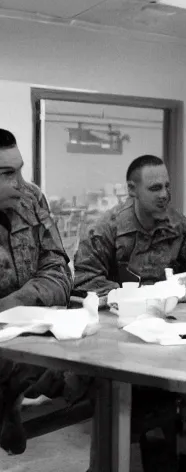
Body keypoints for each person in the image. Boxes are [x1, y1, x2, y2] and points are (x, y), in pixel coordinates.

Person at [0, 128, 72, 455]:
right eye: (6, 173)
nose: (19, 182)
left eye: (19, 169)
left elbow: (59, 270)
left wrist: (16, 302)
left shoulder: (31, 198)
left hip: (30, 341)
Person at [73, 155, 186, 297]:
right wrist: (137, 295)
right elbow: (84, 280)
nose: (164, 195)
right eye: (155, 188)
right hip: (121, 314)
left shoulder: (178, 225)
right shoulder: (104, 231)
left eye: (167, 186)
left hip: (170, 313)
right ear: (132, 189)